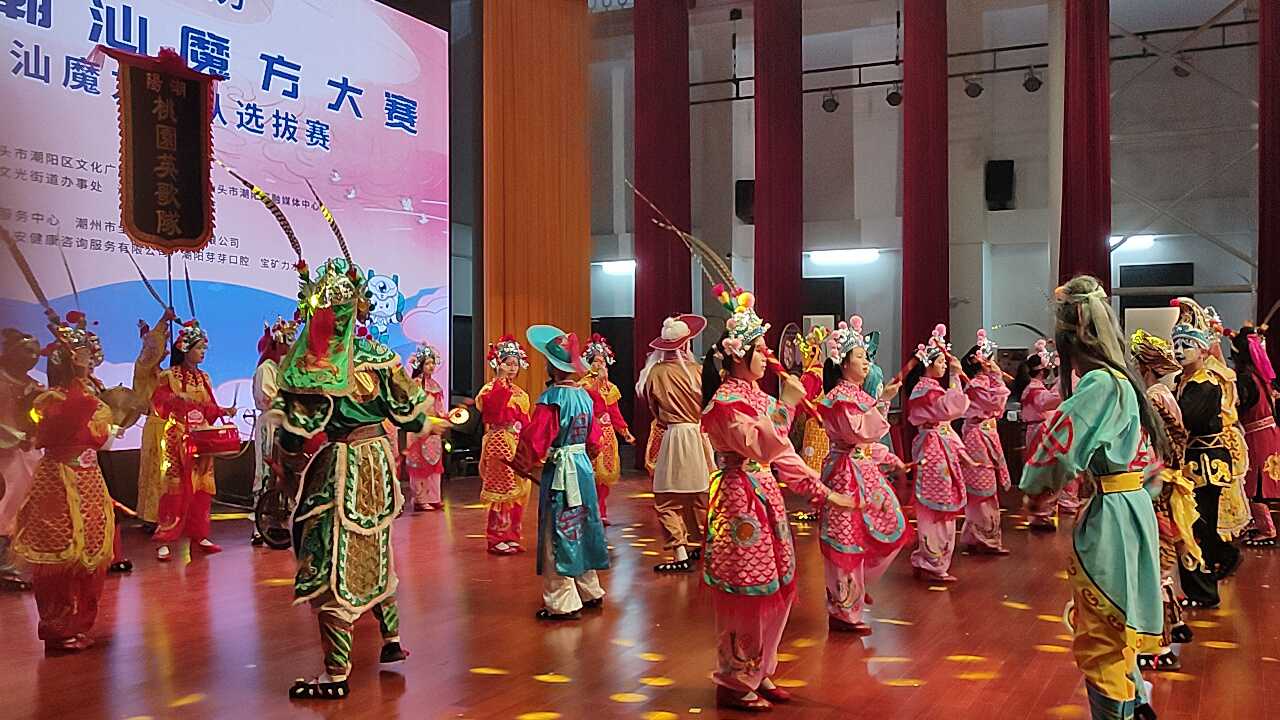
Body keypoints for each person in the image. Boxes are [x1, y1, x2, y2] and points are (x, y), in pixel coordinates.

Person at [273, 255, 444, 700]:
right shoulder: (379, 357)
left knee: (330, 556)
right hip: (377, 461)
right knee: (375, 545)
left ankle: (335, 673)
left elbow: (295, 433)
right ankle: (390, 639)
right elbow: (410, 413)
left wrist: (285, 461)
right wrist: (434, 423)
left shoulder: (317, 364)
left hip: (343, 463)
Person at [700, 285, 855, 712]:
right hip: (738, 500)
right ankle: (734, 677)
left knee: (778, 588)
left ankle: (760, 668)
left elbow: (784, 455)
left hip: (765, 494)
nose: (767, 356)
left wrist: (823, 493)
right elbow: (759, 447)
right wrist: (785, 407)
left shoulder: (759, 398)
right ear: (738, 355)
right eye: (760, 349)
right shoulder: (726, 402)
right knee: (747, 591)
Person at [1020, 276, 1164, 720]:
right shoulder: (1125, 382)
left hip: (1114, 514)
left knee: (1102, 634)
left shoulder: (1100, 383)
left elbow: (1062, 441)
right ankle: (1136, 705)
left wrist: (1037, 490)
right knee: (1119, 626)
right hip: (1134, 507)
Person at [12, 316, 117, 653]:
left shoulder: (91, 396)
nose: (89, 362)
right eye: (82, 357)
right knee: (58, 554)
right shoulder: (49, 401)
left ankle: (81, 622)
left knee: (91, 554)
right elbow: (50, 433)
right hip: (58, 482)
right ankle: (57, 626)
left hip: (89, 480)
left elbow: (99, 437)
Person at [815, 315, 908, 635]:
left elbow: (867, 438)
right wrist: (883, 402)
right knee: (845, 541)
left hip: (862, 469)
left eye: (867, 356)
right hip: (845, 473)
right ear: (843, 363)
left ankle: (855, 589)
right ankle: (843, 610)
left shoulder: (858, 396)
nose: (866, 362)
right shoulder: (840, 397)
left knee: (890, 523)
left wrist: (889, 457)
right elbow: (857, 433)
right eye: (859, 356)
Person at [510, 325, 610, 620]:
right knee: (583, 523)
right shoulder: (585, 397)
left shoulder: (551, 399)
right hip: (582, 468)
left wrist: (522, 463)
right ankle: (590, 589)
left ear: (552, 367)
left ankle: (562, 600)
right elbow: (595, 440)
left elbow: (535, 439)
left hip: (561, 472)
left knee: (558, 529)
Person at [1130, 330, 1202, 673]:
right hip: (1165, 482)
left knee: (1154, 561)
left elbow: (1155, 450)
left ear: (1145, 366)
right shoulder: (1164, 394)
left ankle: (1157, 645)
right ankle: (1174, 624)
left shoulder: (1153, 399)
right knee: (1162, 559)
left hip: (1157, 485)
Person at [1173, 309, 1243, 607]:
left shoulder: (1206, 385)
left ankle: (1205, 588)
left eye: (1186, 345)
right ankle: (1209, 577)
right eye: (1176, 345)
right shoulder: (1183, 380)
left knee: (1195, 526)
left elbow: (1183, 421)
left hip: (1205, 463)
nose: (1179, 351)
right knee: (1192, 524)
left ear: (1202, 350)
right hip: (1193, 461)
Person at [637, 314, 714, 573]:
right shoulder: (697, 371)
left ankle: (679, 550)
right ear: (686, 344)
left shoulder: (654, 373)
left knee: (667, 497)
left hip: (672, 436)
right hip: (697, 435)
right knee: (702, 495)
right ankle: (705, 546)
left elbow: (655, 411)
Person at [151, 320, 232, 561]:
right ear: (186, 349)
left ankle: (199, 534)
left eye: (204, 348)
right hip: (177, 437)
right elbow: (158, 403)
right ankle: (165, 538)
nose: (202, 352)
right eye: (198, 348)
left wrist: (223, 411)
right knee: (174, 488)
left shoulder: (204, 377)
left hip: (202, 438)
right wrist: (177, 398)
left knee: (202, 487)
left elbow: (208, 407)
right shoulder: (169, 376)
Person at [904, 323, 972, 582]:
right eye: (941, 361)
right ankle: (930, 561)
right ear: (928, 364)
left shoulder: (932, 388)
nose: (944, 366)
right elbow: (950, 409)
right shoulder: (925, 390)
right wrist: (955, 377)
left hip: (939, 448)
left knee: (941, 507)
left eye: (945, 362)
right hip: (932, 451)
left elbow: (948, 419)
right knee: (933, 508)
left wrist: (962, 453)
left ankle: (934, 561)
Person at [1013, 340, 1079, 530]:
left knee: (1047, 471)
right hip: (1038, 432)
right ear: (1042, 372)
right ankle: (1041, 514)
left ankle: (1046, 510)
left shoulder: (1034, 387)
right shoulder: (1034, 389)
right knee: (1043, 472)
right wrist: (1069, 381)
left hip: (1039, 430)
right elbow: (1052, 400)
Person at [475, 336, 531, 555]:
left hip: (516, 444)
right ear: (498, 364)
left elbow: (525, 422)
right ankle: (496, 537)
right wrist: (499, 380)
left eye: (515, 364)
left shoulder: (520, 394)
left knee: (519, 492)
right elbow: (492, 413)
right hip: (499, 443)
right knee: (501, 492)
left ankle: (512, 535)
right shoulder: (489, 390)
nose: (512, 368)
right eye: (508, 363)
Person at [959, 329, 1013, 555]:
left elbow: (997, 409)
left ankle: (978, 536)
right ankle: (983, 538)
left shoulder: (982, 383)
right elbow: (995, 404)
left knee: (985, 491)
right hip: (978, 438)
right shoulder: (976, 385)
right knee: (982, 489)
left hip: (984, 434)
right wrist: (998, 378)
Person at [0, 328, 43, 592]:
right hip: (4, 455)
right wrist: (14, 435)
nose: (34, 356)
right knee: (7, 503)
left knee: (26, 503)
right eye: (28, 351)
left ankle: (17, 560)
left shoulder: (33, 385)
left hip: (28, 452)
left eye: (36, 351)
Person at [1231, 324, 1280, 547]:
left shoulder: (1246, 379)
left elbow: (1239, 406)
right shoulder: (1260, 376)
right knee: (1258, 483)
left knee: (1256, 485)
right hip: (1268, 432)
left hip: (1258, 435)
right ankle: (1258, 522)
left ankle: (1267, 529)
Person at [579, 333, 634, 525]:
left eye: (602, 361)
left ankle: (601, 511)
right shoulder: (583, 385)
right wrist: (597, 382)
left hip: (608, 435)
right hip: (591, 435)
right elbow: (596, 406)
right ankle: (589, 511)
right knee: (591, 476)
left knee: (604, 478)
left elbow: (614, 412)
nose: (599, 365)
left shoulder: (610, 387)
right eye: (595, 361)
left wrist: (625, 432)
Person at [251, 316, 297, 544]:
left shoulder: (289, 369)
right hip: (271, 424)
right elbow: (267, 398)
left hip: (288, 424)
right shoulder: (266, 369)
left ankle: (282, 521)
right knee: (267, 471)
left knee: (288, 473)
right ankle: (258, 524)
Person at [133, 309, 175, 534]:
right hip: (156, 426)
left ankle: (171, 513)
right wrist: (163, 321)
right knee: (155, 472)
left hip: (171, 427)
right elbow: (150, 350)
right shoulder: (143, 371)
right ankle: (153, 516)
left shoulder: (164, 373)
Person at [405, 343, 448, 512]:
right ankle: (420, 499)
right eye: (427, 363)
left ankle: (434, 498)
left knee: (434, 465)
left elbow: (439, 407)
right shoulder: (414, 384)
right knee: (419, 465)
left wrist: (444, 417)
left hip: (433, 429)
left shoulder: (435, 385)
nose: (431, 366)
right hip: (419, 427)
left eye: (432, 363)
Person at [796, 325, 831, 472]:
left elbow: (801, 404)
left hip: (813, 424)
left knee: (812, 465)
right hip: (827, 424)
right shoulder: (825, 373)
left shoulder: (809, 376)